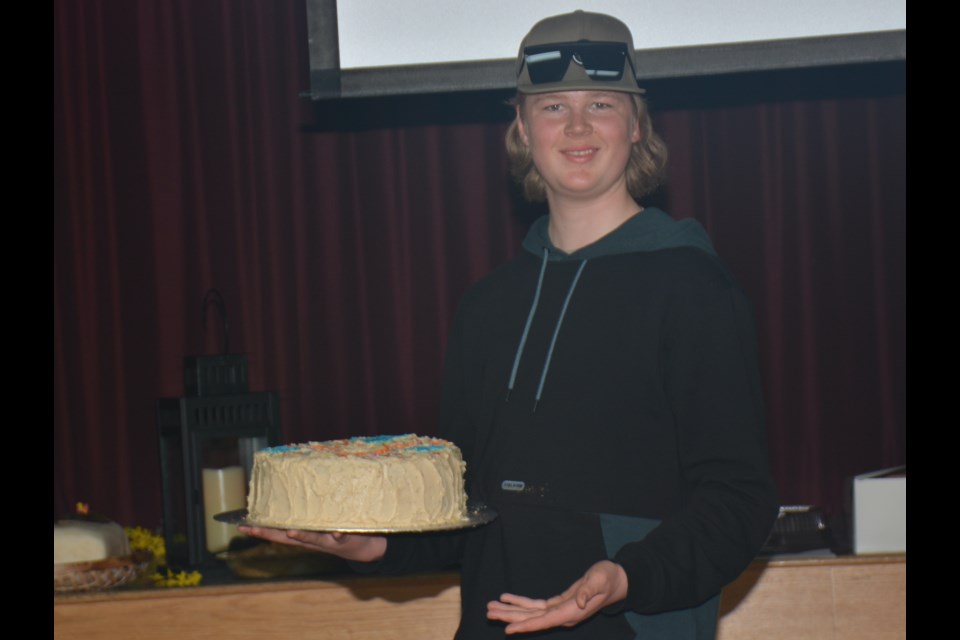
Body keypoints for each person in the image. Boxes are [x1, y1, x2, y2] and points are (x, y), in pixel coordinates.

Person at [242, 10, 778, 639]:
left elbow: (739, 502)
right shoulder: (486, 306)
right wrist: (375, 547)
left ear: (636, 126)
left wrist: (627, 576)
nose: (577, 126)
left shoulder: (694, 287)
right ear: (523, 128)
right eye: (552, 107)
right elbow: (464, 513)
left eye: (601, 104)